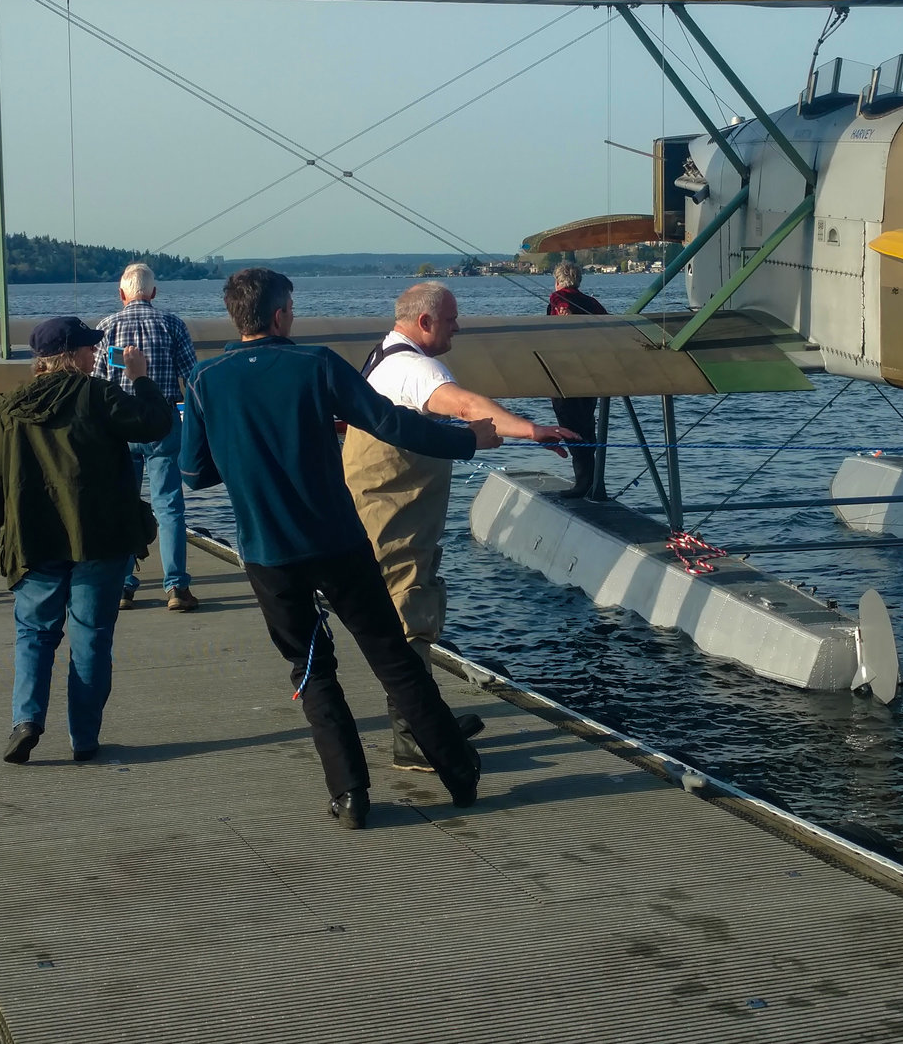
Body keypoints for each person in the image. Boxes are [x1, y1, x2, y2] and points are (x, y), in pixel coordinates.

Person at [180, 268, 492, 828]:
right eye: (291, 307)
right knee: (393, 659)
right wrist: (467, 438)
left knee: (311, 669)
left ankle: (350, 794)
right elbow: (390, 423)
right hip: (337, 541)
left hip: (266, 551)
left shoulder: (205, 381)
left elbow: (193, 472)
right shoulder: (317, 364)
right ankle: (458, 772)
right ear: (279, 316)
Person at [345, 280, 578, 772]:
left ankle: (427, 719)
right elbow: (468, 407)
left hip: (390, 509)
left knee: (413, 603)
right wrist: (530, 430)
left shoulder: (381, 356)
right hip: (393, 514)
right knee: (409, 612)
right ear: (425, 322)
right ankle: (415, 739)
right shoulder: (414, 369)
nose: (459, 326)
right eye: (451, 319)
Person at [0, 316, 171, 765]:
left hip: (34, 540)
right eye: (89, 348)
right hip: (99, 537)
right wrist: (139, 378)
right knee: (92, 636)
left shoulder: (10, 408)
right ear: (75, 354)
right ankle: (84, 737)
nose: (96, 354)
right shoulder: (99, 395)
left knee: (34, 633)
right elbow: (155, 424)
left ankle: (26, 722)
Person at [97, 262, 200, 612]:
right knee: (169, 505)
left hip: (119, 423)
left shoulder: (107, 327)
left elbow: (96, 383)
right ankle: (176, 587)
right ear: (153, 292)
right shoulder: (172, 324)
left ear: (122, 293)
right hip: (163, 420)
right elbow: (192, 378)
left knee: (121, 503)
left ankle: (124, 585)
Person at [545, 262, 609, 500]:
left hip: (565, 374)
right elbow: (608, 321)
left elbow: (560, 321)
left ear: (558, 280)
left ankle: (583, 482)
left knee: (570, 426)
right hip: (589, 372)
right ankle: (593, 479)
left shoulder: (557, 298)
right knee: (586, 425)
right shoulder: (592, 302)